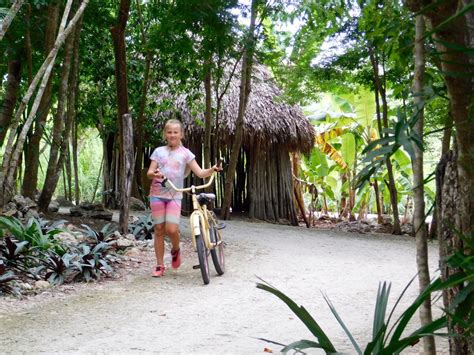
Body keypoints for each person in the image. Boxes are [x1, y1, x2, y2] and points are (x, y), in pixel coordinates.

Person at [146, 119, 222, 277]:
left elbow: (200, 172)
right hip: (157, 194)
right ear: (165, 134)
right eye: (169, 132)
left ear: (181, 134)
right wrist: (155, 174)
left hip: (175, 194)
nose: (172, 135)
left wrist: (213, 169)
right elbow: (149, 173)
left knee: (172, 229)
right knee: (159, 229)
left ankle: (175, 250)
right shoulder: (158, 152)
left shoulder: (186, 153)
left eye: (175, 132)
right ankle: (159, 265)